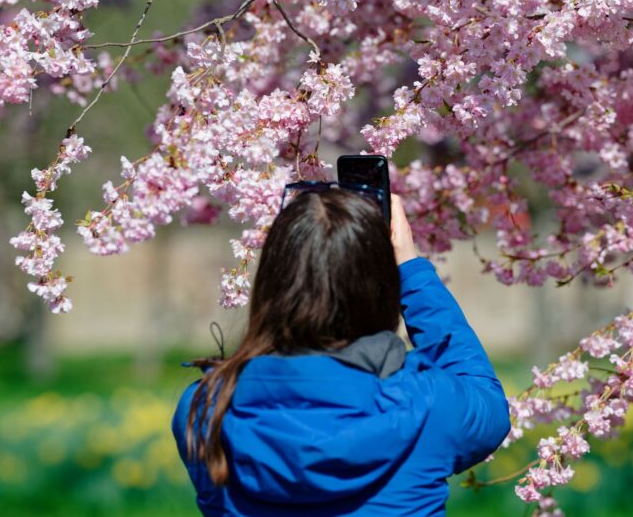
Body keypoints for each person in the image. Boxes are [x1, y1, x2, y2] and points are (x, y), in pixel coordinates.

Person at [171, 189, 511, 516]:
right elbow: (487, 400)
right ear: (379, 288)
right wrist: (411, 269)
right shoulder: (429, 403)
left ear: (272, 282)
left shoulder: (206, 411)